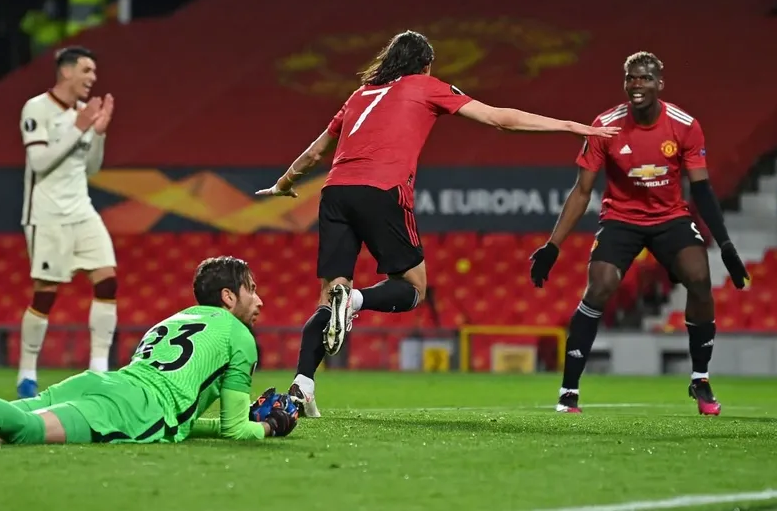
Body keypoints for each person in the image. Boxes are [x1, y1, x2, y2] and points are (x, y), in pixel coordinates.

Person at [255, 30, 620, 417]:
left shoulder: (358, 96)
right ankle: (358, 300)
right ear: (426, 64)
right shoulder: (427, 86)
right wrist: (570, 126)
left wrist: (283, 184)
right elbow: (499, 119)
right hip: (382, 189)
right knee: (413, 287)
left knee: (329, 295)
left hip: (335, 192)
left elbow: (315, 153)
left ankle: (303, 385)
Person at [0, 256, 299, 448]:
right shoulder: (240, 339)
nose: (261, 300)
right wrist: (270, 425)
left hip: (103, 383)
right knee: (23, 433)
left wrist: (234, 421)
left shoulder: (176, 319)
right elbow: (238, 430)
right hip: (135, 408)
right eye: (253, 289)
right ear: (229, 298)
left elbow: (192, 420)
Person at [528, 51, 749, 415]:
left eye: (644, 78)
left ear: (659, 84)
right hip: (621, 219)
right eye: (630, 78)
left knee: (698, 277)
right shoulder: (606, 125)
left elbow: (703, 190)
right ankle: (568, 391)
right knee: (599, 286)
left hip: (670, 218)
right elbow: (582, 191)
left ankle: (701, 379)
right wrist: (553, 246)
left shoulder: (684, 125)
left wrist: (725, 245)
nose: (636, 85)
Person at [17, 45, 117, 399]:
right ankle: (27, 373)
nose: (92, 78)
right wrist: (78, 127)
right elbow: (40, 161)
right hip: (46, 214)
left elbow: (90, 168)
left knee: (107, 280)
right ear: (66, 72)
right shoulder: (36, 108)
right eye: (87, 71)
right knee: (46, 293)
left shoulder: (83, 113)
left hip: (82, 209)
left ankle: (99, 370)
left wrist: (99, 133)